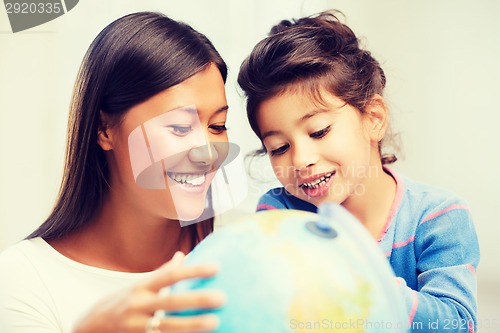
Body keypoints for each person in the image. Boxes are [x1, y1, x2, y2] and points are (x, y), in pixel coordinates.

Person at [237, 11, 479, 333]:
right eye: (279, 148)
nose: (301, 160)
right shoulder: (280, 213)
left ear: (374, 118)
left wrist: (357, 280)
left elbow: (457, 324)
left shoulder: (439, 217)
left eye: (319, 131)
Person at [0, 11, 231, 333]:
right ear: (104, 129)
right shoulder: (24, 279)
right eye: (180, 127)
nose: (208, 153)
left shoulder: (242, 257)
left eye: (218, 126)